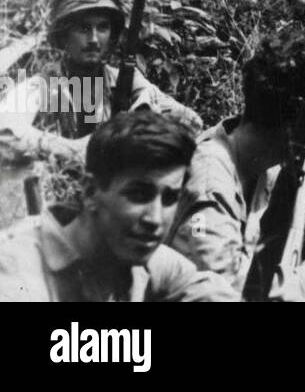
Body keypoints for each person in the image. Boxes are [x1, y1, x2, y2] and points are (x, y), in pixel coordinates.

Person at [167, 30, 305, 301]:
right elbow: (221, 295)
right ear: (300, 116)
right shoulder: (209, 185)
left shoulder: (269, 160)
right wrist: (303, 282)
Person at [0, 110, 238, 301]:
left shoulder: (145, 257)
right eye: (138, 195)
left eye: (169, 199)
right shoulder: (16, 274)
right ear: (91, 190)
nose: (155, 219)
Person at [0, 0, 202, 164]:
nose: (94, 39)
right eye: (84, 28)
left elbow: (190, 121)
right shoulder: (43, 84)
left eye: (103, 28)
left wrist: (141, 123)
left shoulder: (124, 81)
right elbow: (5, 130)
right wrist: (72, 150)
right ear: (63, 36)